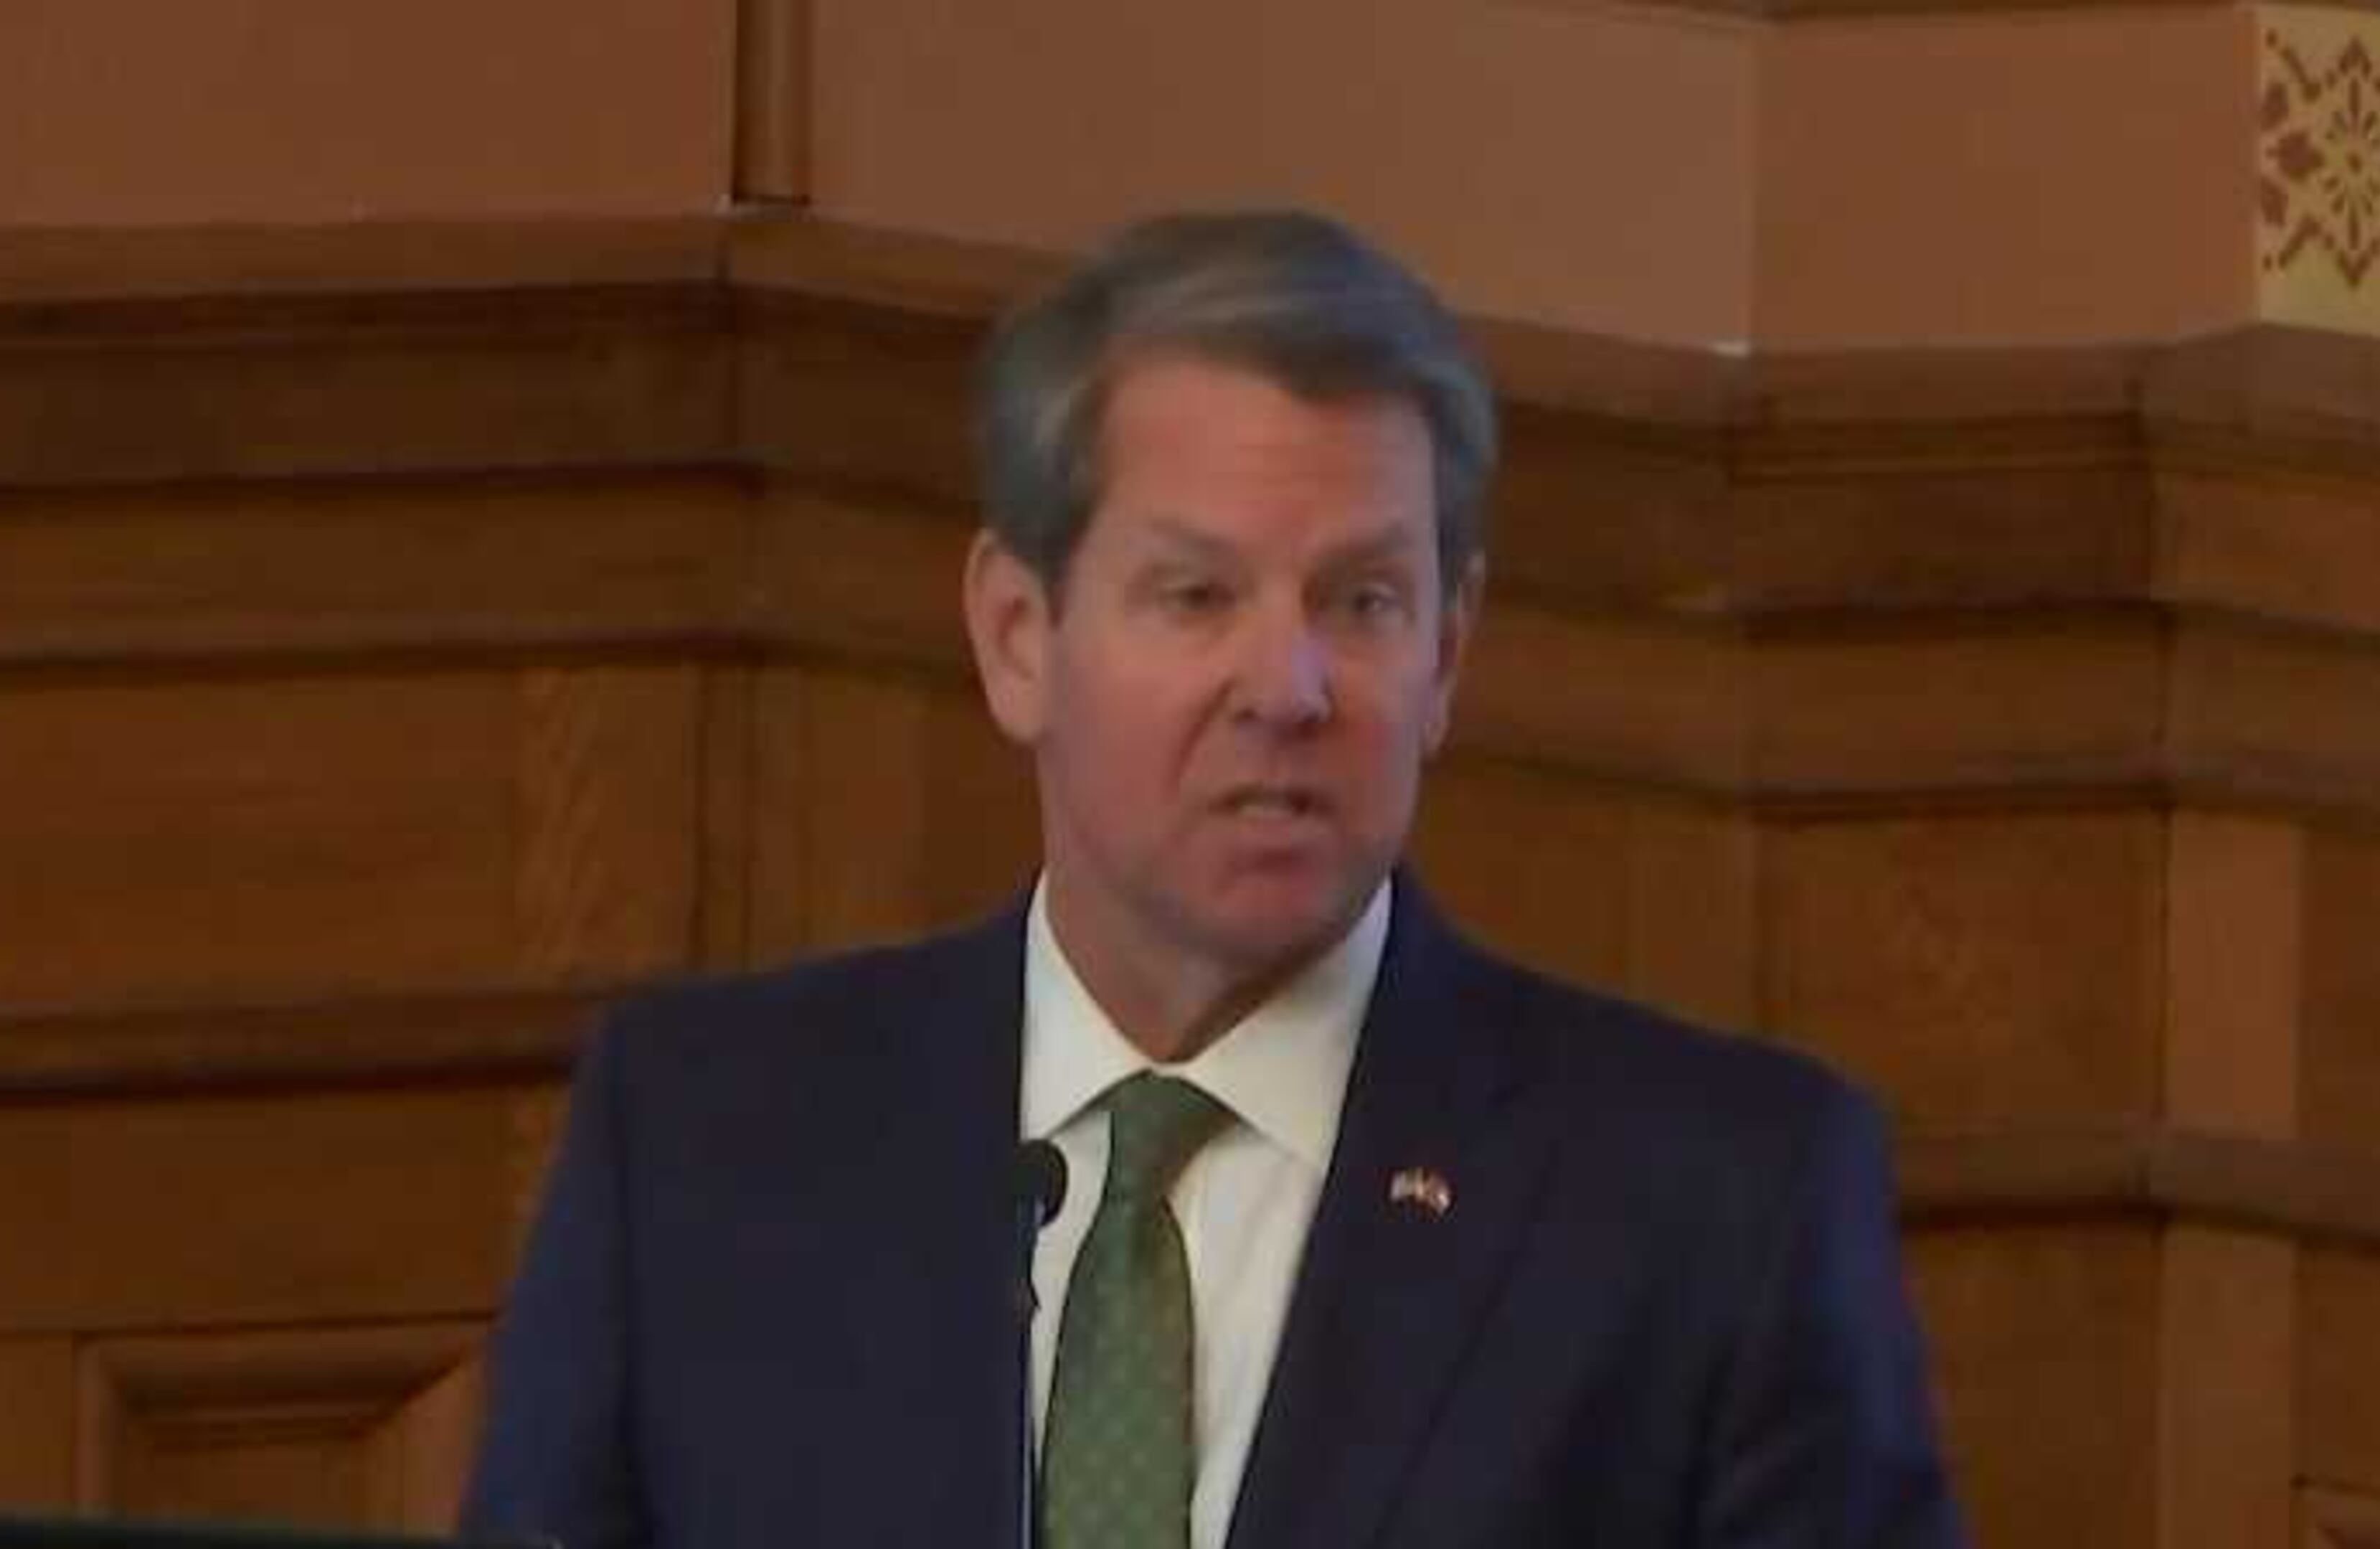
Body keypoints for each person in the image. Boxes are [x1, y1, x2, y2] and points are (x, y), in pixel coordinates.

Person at [463, 209, 1967, 1549]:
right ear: (1018, 637)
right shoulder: (705, 1144)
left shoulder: (1715, 1207)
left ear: (1447, 656)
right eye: (1197, 596)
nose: (1289, 687)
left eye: (1362, 602)